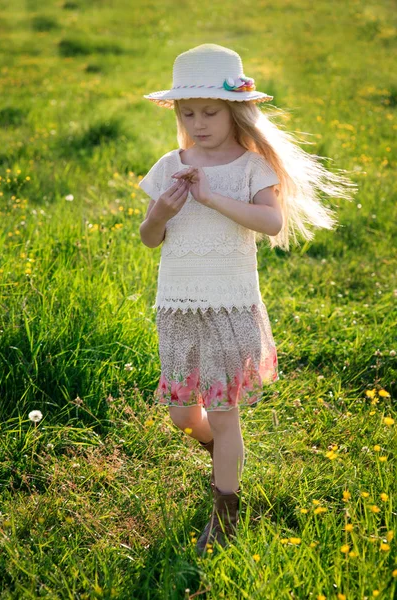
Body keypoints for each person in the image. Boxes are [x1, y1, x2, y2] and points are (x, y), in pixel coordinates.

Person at [138, 43, 357, 555]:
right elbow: (149, 237)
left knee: (223, 412)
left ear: (237, 110)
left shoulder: (252, 167)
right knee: (181, 415)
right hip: (178, 305)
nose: (198, 122)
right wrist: (162, 214)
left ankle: (227, 509)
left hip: (231, 304)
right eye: (187, 112)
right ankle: (221, 455)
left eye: (210, 111)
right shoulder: (170, 164)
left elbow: (271, 222)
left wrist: (211, 196)